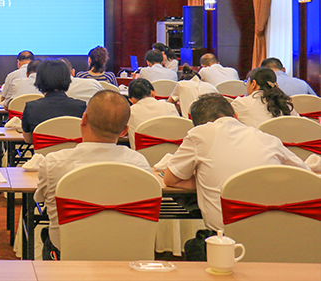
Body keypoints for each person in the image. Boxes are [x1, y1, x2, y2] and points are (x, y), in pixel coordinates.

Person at [165, 94, 309, 259]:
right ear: (235, 116)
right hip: (278, 236)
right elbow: (305, 177)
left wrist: (204, 181)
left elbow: (170, 179)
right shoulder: (268, 139)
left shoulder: (199, 134)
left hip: (225, 242)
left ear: (197, 123)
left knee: (193, 246)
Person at [35, 91, 151, 259]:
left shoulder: (53, 163)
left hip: (67, 256)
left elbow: (40, 199)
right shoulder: (140, 164)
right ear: (124, 130)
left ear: (84, 120)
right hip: (125, 254)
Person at [21, 60, 86, 144]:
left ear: (39, 80)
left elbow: (28, 140)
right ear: (68, 79)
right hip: (75, 152)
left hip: (43, 152)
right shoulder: (81, 107)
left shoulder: (31, 108)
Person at [231, 67, 299, 128]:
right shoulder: (285, 104)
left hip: (256, 138)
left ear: (253, 84)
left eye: (247, 82)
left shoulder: (241, 103)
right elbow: (300, 123)